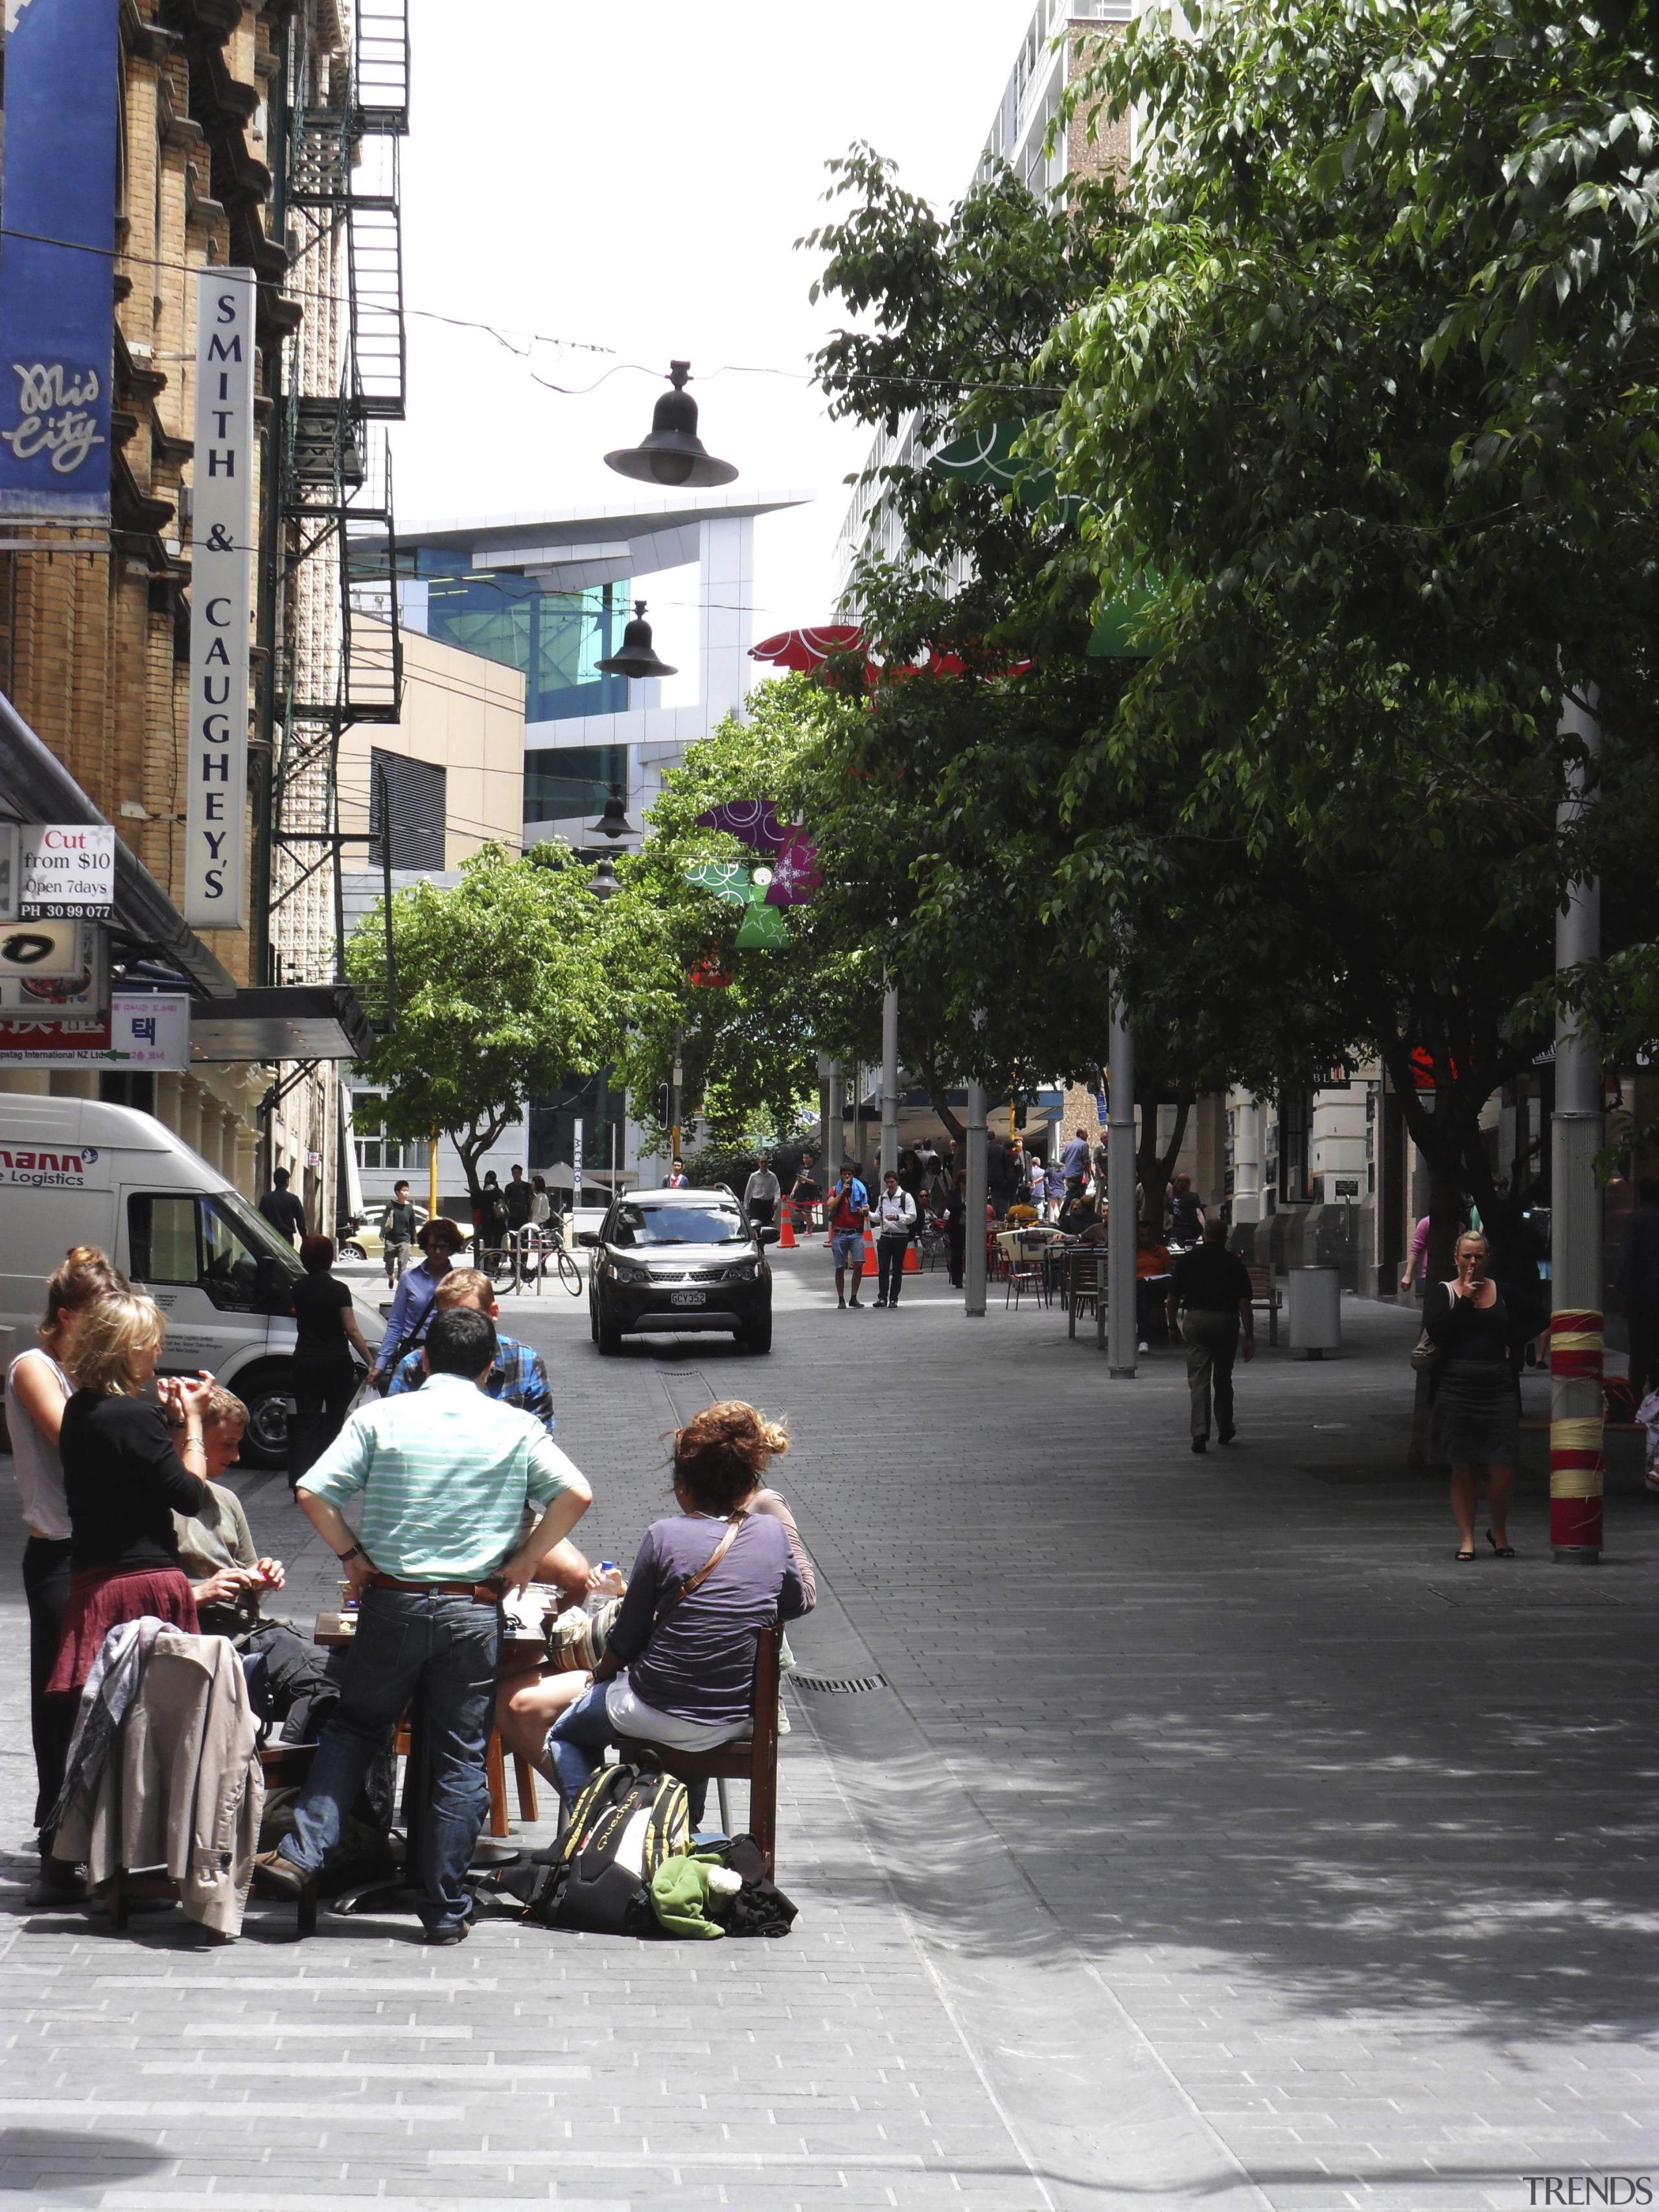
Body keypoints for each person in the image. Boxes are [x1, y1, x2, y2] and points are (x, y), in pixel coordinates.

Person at [255, 1306, 593, 1941]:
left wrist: (353, 1557)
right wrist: (524, 1558)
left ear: (426, 1360)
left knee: (356, 1729)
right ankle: (443, 1909)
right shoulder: (515, 1426)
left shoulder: (382, 1416)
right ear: (491, 1366)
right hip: (473, 1606)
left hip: (392, 1601)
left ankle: (302, 1854)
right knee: (460, 1753)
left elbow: (313, 1491)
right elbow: (576, 1492)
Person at [533, 1402, 811, 1822]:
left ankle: (598, 1837)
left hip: (660, 1708)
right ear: (744, 1487)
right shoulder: (770, 1531)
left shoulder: (664, 1536)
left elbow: (625, 1641)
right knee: (674, 1721)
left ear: (683, 1486)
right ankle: (675, 1832)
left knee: (566, 1734)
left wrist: (599, 1675)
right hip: (738, 1716)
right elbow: (795, 1600)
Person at [6, 1245, 127, 1903]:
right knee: (60, 1698)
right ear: (67, 1315)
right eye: (101, 1319)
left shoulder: (93, 1375)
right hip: (58, 1553)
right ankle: (58, 1841)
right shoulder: (36, 1367)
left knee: (101, 1696)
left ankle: (93, 1831)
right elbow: (74, 1441)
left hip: (104, 1550)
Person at [47, 1292, 210, 1698]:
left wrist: (167, 1421)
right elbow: (190, 1495)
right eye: (154, 1340)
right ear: (129, 1348)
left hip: (93, 1581)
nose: (160, 1349)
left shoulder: (79, 1409)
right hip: (143, 1585)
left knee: (104, 1727)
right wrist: (193, 1422)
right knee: (154, 1724)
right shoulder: (134, 1416)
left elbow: (143, 1471)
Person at [1424, 1231, 1549, 1561]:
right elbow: (1440, 1332)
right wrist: (1465, 1299)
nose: (1473, 1262)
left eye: (1478, 1256)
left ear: (1486, 1259)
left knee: (1504, 1465)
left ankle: (1499, 1529)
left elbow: (1541, 1316)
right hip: (1455, 1387)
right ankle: (1467, 1539)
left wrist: (1515, 1341)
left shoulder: (1502, 1292)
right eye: (1467, 1256)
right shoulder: (1444, 1294)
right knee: (1462, 1465)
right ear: (1456, 1258)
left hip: (1498, 1389)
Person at [386, 1266, 555, 1431]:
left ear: (493, 1313)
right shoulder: (412, 1366)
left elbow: (542, 1436)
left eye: (468, 1317)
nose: (458, 1329)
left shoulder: (525, 1362)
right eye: (448, 1319)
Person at [289, 1234, 372, 1489]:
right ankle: (329, 1481)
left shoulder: (297, 1288)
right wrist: (370, 1361)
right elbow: (352, 1330)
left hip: (304, 1360)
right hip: (336, 1362)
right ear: (329, 1259)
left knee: (306, 1421)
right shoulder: (339, 1290)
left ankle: (302, 1483)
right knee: (336, 1421)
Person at [1166, 1220, 1256, 1452]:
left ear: (1204, 1235)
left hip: (1196, 1319)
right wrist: (1249, 1337)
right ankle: (1225, 1426)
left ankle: (1200, 1432)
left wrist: (1172, 1326)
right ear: (1226, 1237)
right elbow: (1244, 1302)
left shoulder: (1189, 1259)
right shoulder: (1234, 1264)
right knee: (1223, 1377)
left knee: (1198, 1378)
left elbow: (1173, 1296)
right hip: (1226, 1320)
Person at [369, 1213, 468, 1388]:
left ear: (452, 1248)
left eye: (443, 1247)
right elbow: (395, 1324)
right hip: (411, 1353)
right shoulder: (409, 1278)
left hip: (446, 1357)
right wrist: (381, 1366)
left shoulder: (458, 1281)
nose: (437, 1252)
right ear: (425, 1246)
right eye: (433, 1246)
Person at [1618, 1177, 1659, 1403]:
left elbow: (1626, 1260)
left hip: (1641, 1298)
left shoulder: (1635, 1221)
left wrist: (1624, 1293)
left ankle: (1636, 1405)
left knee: (1640, 1354)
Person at [870, 1169, 918, 1309]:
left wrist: (897, 1217)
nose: (890, 1185)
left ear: (897, 1182)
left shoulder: (905, 1197)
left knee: (897, 1269)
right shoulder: (883, 1198)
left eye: (892, 1182)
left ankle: (894, 1298)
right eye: (887, 1183)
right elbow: (879, 1216)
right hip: (885, 1236)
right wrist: (867, 1214)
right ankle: (882, 1297)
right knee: (883, 1269)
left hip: (900, 1237)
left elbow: (912, 1216)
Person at [828, 1160, 870, 1309]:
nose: (847, 1177)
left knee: (858, 1264)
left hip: (855, 1233)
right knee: (840, 1267)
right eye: (845, 1174)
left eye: (850, 1175)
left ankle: (854, 1297)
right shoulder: (835, 1190)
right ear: (841, 1176)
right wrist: (842, 1192)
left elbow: (865, 1205)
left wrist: (864, 1210)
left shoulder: (860, 1189)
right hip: (839, 1233)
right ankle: (841, 1298)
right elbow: (830, 1206)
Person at [1134, 1221, 1174, 1353]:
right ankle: (1144, 1340)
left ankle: (1143, 1340)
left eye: (1148, 1235)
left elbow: (1168, 1272)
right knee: (1143, 1298)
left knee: (1146, 1291)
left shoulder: (1162, 1252)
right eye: (1142, 1236)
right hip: (1140, 1285)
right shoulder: (1133, 1252)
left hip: (1157, 1286)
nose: (1145, 1239)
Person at [380, 1179, 419, 1287]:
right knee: (389, 1261)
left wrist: (413, 1238)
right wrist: (382, 1233)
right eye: (404, 1191)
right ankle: (391, 1275)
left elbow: (413, 1223)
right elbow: (384, 1219)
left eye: (408, 1190)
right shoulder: (391, 1205)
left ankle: (401, 1286)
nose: (406, 1193)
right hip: (391, 1239)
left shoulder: (410, 1208)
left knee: (403, 1263)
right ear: (397, 1192)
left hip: (404, 1239)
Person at [258, 1165, 307, 1246]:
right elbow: (301, 1222)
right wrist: (304, 1238)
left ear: (275, 1181)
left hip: (270, 1237)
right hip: (287, 1238)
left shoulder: (266, 1199)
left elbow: (260, 1219)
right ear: (287, 1181)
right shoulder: (294, 1199)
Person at [743, 1152, 781, 1230]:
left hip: (768, 1203)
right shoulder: (754, 1176)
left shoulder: (772, 1176)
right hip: (757, 1203)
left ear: (767, 1163)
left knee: (766, 1223)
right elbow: (748, 1191)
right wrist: (746, 1206)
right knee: (757, 1223)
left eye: (765, 1162)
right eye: (762, 1162)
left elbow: (777, 1189)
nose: (764, 1164)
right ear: (758, 1163)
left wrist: (776, 1201)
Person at [1167, 1174, 1205, 1244]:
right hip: (1191, 1231)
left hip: (1177, 1232)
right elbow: (1198, 1213)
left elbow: (1171, 1217)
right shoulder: (1193, 1196)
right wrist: (1204, 1228)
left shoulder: (1173, 1198)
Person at [945, 1170, 967, 1289]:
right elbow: (951, 1207)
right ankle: (957, 1280)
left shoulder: (974, 1192)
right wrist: (965, 1205)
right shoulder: (953, 1193)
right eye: (964, 1183)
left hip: (969, 1225)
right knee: (957, 1254)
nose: (966, 1185)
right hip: (957, 1226)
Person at [789, 1152, 821, 1231]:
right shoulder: (801, 1168)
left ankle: (809, 1229)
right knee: (797, 1211)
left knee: (807, 1212)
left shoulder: (815, 1169)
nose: (805, 1160)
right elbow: (798, 1181)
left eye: (807, 1158)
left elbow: (816, 1182)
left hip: (810, 1192)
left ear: (811, 1158)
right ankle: (810, 1222)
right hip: (801, 1192)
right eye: (804, 1158)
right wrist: (793, 1191)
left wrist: (806, 1180)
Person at [1061, 1125, 1092, 1198]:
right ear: (1081, 1134)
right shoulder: (1084, 1145)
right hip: (1078, 1174)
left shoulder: (1069, 1145)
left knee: (1072, 1194)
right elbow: (1086, 1161)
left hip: (1068, 1175)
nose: (1087, 1136)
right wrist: (1089, 1175)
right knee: (1078, 1195)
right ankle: (1064, 1209)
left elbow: (1062, 1158)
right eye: (1086, 1133)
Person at [504, 1165, 534, 1233]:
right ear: (512, 1174)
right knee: (513, 1237)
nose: (516, 1175)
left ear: (521, 1174)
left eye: (518, 1172)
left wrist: (530, 1214)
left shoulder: (527, 1186)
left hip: (524, 1216)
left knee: (524, 1238)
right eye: (515, 1173)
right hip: (512, 1217)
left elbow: (530, 1201)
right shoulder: (509, 1187)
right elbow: (506, 1202)